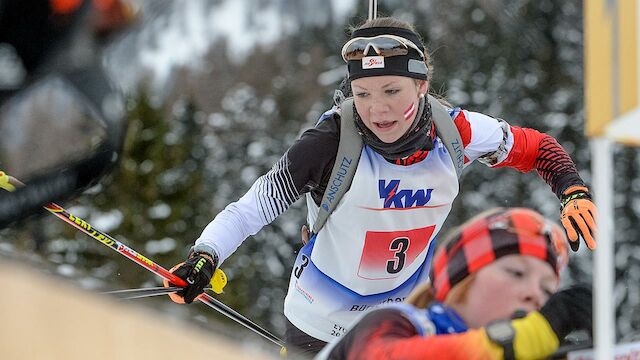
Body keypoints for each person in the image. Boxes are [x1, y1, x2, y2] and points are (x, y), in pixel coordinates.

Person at [165, 17, 597, 354]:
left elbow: (537, 147)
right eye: (363, 93)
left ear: (422, 86)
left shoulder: (456, 130)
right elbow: (252, 208)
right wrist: (205, 255)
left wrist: (572, 190)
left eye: (392, 90)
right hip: (319, 319)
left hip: (406, 314)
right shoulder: (330, 143)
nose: (378, 109)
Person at [316, 207, 592, 360]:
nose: (536, 295)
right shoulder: (398, 323)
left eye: (548, 290)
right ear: (462, 282)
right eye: (516, 273)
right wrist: (526, 339)